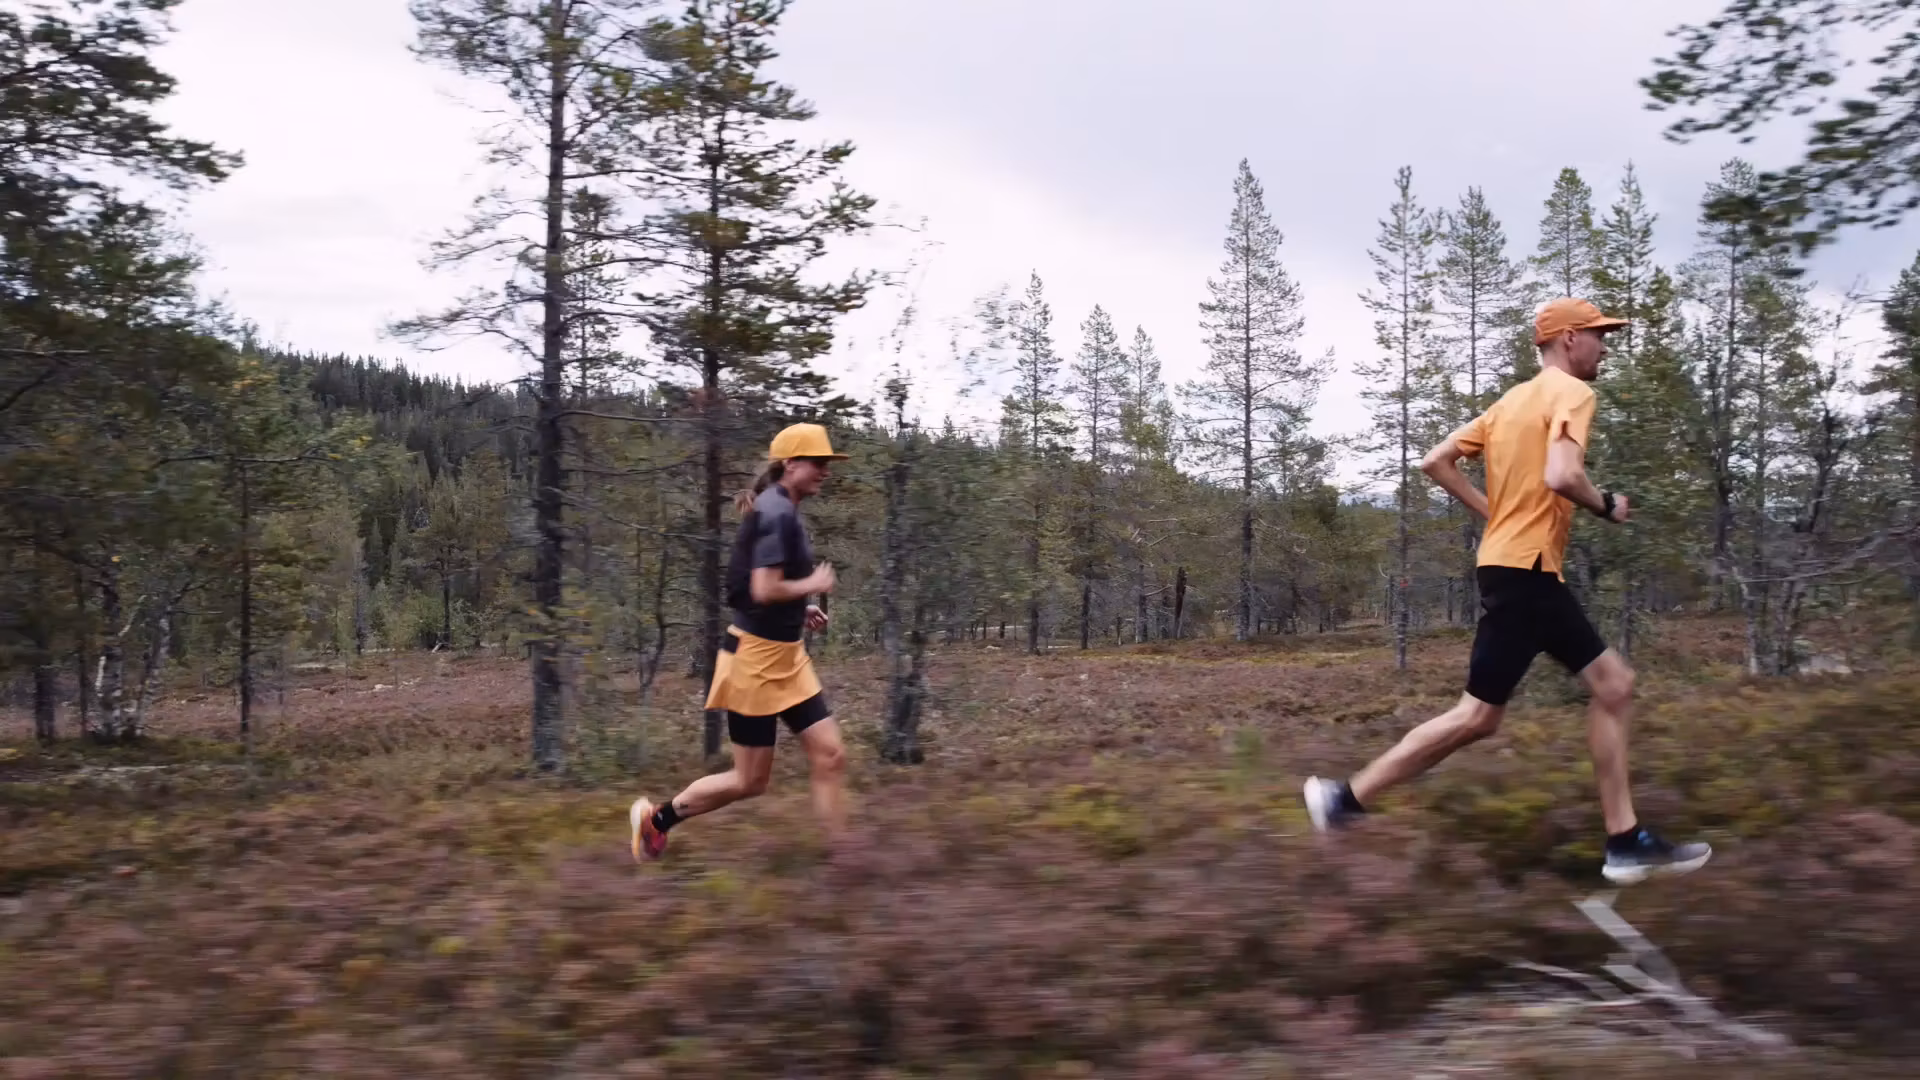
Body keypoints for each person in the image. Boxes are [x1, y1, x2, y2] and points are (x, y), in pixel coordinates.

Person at [1303, 298, 1712, 885]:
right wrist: (1606, 506)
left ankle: (1344, 801)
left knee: (1489, 715)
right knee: (1599, 689)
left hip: (1508, 567)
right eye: (1598, 335)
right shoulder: (1571, 393)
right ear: (1568, 339)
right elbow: (1562, 475)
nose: (1604, 347)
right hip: (1529, 571)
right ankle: (1624, 842)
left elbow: (1436, 461)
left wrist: (1494, 514)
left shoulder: (1510, 402)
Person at [630, 422, 850, 861]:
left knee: (830, 755)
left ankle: (846, 859)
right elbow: (764, 587)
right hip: (754, 661)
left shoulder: (782, 508)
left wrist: (799, 608)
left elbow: (760, 589)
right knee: (749, 781)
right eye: (818, 462)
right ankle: (656, 820)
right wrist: (812, 583)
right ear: (791, 463)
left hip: (787, 657)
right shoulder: (775, 513)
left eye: (828, 462)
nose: (826, 470)